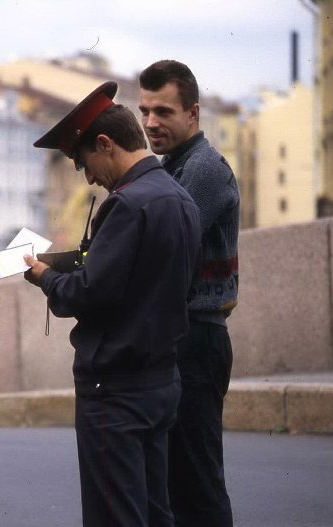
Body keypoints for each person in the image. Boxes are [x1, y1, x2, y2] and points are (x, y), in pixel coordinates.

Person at [25, 81, 201, 527]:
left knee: (115, 515)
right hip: (162, 380)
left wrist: (46, 277)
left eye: (84, 163)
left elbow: (88, 295)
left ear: (105, 143)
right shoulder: (179, 198)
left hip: (116, 391)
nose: (87, 178)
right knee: (156, 511)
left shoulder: (126, 205)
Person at [138, 60, 240, 527]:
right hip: (182, 337)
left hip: (197, 338)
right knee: (177, 483)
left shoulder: (202, 168)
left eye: (164, 111)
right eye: (145, 111)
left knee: (197, 485)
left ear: (193, 114)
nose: (151, 123)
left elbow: (161, 247)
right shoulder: (173, 167)